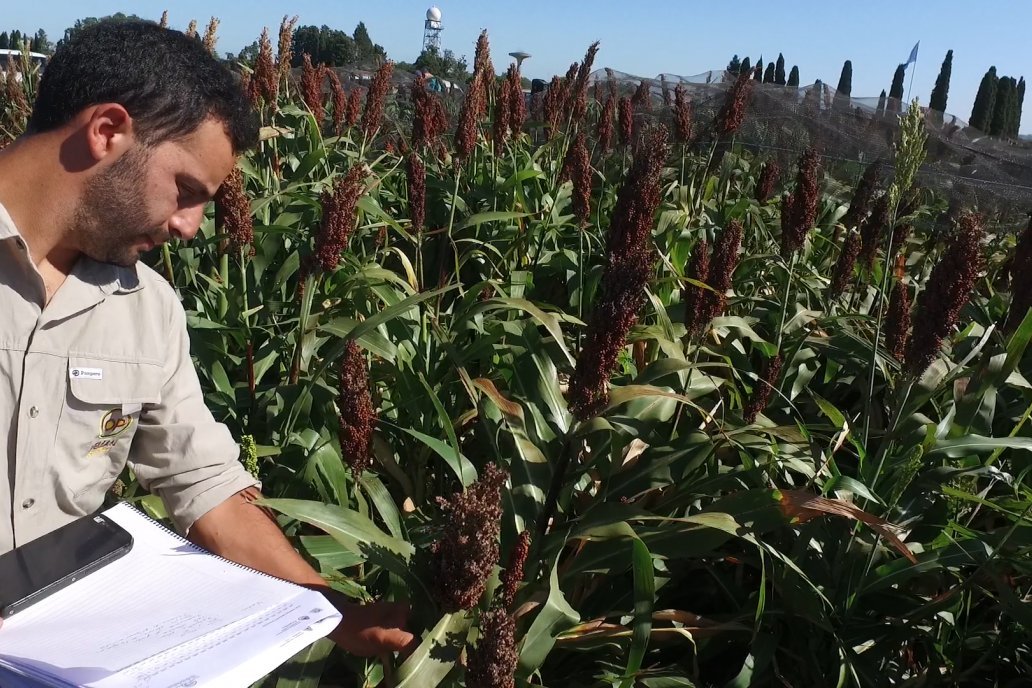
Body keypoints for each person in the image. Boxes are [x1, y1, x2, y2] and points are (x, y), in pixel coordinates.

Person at [0, 20, 413, 658]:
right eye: (186, 191)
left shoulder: (149, 309)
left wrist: (326, 610)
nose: (191, 227)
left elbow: (205, 487)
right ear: (107, 132)